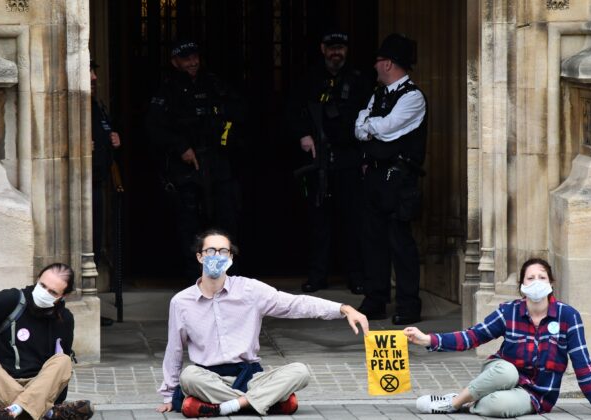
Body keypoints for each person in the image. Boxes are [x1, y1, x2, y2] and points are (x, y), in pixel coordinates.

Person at [155, 228, 369, 417]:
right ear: (200, 257)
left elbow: (294, 304)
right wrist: (168, 395)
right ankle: (261, 402)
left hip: (252, 378)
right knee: (189, 376)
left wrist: (342, 309)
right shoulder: (181, 302)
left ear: (230, 258)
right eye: (211, 251)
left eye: (223, 252)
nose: (217, 256)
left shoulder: (249, 290)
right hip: (209, 380)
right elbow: (174, 349)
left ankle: (228, 407)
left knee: (300, 371)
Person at [403, 258, 591, 418]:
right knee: (507, 371)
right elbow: (473, 336)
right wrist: (429, 340)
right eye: (530, 278)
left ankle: (468, 400)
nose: (536, 283)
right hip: (501, 374)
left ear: (551, 283)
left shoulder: (568, 316)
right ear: (522, 286)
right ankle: (452, 404)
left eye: (542, 278)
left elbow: (582, 362)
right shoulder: (509, 311)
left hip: (536, 394)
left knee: (498, 407)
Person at [146, 41, 247, 281]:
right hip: (186, 169)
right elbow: (154, 128)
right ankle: (195, 277)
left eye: (195, 57)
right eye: (186, 58)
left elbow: (238, 113)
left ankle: (225, 275)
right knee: (190, 226)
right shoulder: (168, 90)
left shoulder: (213, 84)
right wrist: (181, 147)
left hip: (217, 164)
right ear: (175, 62)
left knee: (224, 221)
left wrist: (227, 140)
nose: (192, 62)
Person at [287, 30, 372, 295]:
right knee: (319, 221)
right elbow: (291, 110)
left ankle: (356, 276)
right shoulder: (309, 79)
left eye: (341, 48)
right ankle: (317, 275)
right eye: (332, 47)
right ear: (322, 48)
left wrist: (365, 155)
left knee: (352, 221)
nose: (337, 52)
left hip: (348, 157)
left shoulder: (359, 80)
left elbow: (370, 115)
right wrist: (303, 134)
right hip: (318, 158)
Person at [354, 33, 426, 325]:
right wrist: (371, 127)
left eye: (378, 60)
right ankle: (376, 298)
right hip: (374, 175)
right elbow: (359, 128)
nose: (374, 65)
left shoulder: (412, 96)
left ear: (388, 64)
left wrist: (371, 126)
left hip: (399, 179)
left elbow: (389, 128)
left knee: (400, 242)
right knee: (372, 240)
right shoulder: (379, 93)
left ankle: (408, 304)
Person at [0, 263, 94, 420]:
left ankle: (13, 412)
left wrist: (54, 399)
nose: (44, 293)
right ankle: (48, 413)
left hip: (40, 387)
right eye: (42, 285)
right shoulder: (10, 300)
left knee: (63, 361)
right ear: (37, 280)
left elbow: (58, 377)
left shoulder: (64, 320)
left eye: (52, 292)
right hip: (2, 382)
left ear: (62, 296)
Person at [90, 60, 122, 327]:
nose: (92, 78)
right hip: (82, 187)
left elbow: (104, 132)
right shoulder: (75, 104)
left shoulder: (96, 106)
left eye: (94, 72)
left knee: (95, 245)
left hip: (98, 181)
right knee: (84, 245)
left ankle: (91, 304)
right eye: (88, 71)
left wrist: (112, 138)